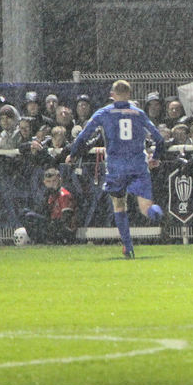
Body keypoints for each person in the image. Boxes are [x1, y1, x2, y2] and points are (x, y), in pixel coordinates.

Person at [67, 80, 164, 259]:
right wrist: (156, 157)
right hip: (138, 166)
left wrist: (72, 154)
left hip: (116, 168)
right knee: (146, 209)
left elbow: (83, 136)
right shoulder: (138, 113)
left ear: (112, 95)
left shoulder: (104, 113)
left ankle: (128, 246)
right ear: (129, 94)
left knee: (119, 205)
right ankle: (157, 214)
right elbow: (159, 139)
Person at [19, 168, 77, 244]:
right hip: (52, 225)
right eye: (49, 182)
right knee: (24, 212)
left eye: (54, 181)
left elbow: (66, 220)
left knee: (29, 216)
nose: (52, 184)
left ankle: (43, 241)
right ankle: (39, 239)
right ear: (45, 183)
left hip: (61, 228)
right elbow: (44, 212)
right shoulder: (49, 194)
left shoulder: (64, 195)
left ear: (60, 180)